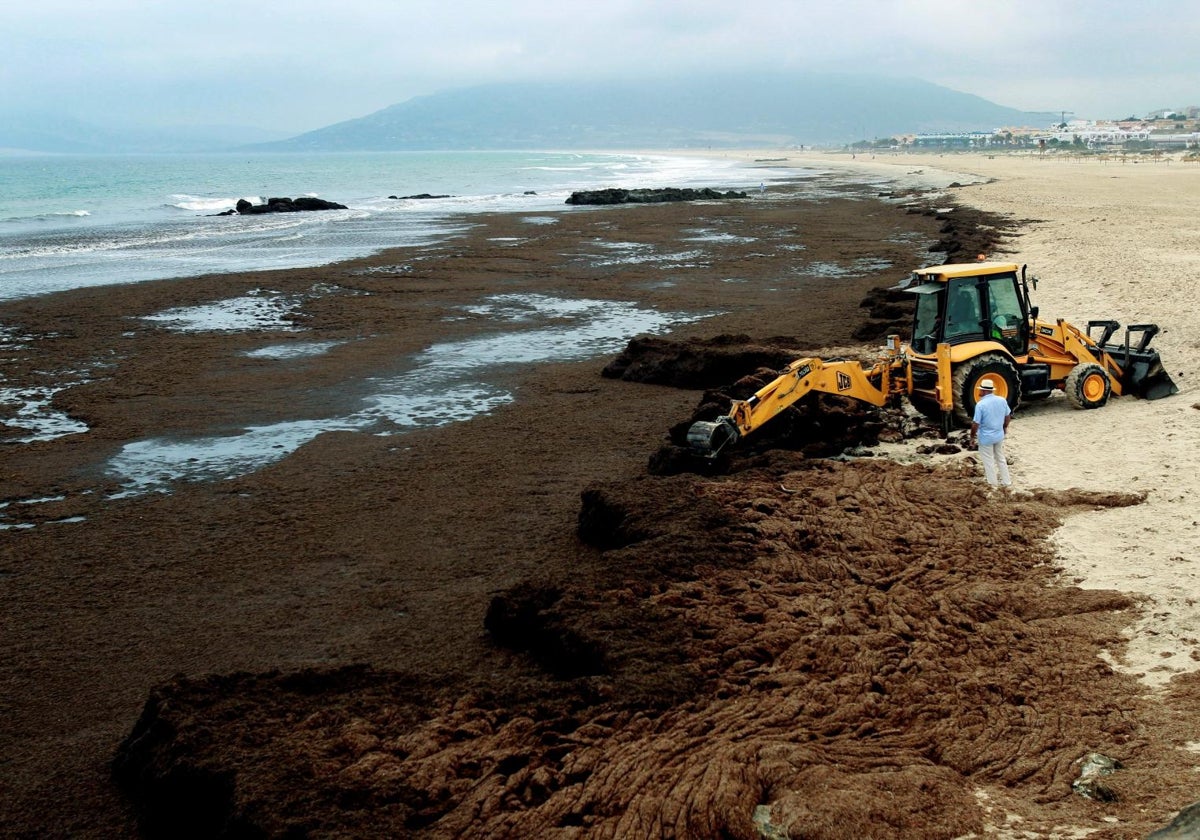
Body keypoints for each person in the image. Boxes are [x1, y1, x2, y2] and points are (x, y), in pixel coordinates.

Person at [969, 378, 1012, 488]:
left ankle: (993, 484)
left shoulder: (980, 405)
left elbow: (975, 423)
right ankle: (1007, 482)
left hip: (986, 438)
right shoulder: (1002, 400)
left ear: (983, 391)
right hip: (998, 435)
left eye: (980, 390)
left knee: (988, 461)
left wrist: (972, 437)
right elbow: (1008, 416)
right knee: (1000, 458)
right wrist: (1004, 427)